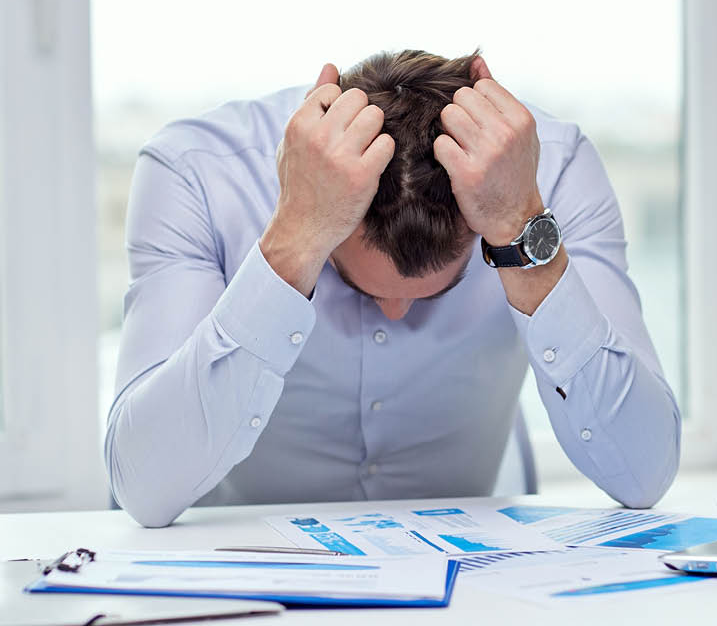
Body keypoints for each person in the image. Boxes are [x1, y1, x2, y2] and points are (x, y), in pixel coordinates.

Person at [105, 50, 681, 528]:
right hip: (231, 575)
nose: (396, 310)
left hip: (477, 582)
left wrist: (519, 227)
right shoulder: (197, 170)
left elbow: (644, 471)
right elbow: (144, 486)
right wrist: (296, 238)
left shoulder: (550, 171)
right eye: (355, 280)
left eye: (437, 291)